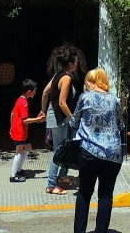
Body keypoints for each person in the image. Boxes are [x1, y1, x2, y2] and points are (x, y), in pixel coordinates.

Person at [72, 67, 123, 233]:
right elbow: (120, 124)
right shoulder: (115, 99)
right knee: (106, 196)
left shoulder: (85, 97)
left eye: (88, 81)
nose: (86, 84)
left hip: (90, 152)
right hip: (113, 155)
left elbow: (74, 121)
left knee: (85, 193)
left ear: (93, 81)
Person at [42, 48, 80, 194]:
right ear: (70, 64)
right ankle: (51, 184)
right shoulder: (66, 78)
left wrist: (44, 110)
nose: (77, 63)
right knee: (58, 150)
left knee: (63, 147)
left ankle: (62, 176)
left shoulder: (58, 75)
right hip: (60, 118)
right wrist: (72, 117)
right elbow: (62, 103)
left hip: (54, 115)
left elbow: (45, 92)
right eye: (76, 61)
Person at [10, 79, 46, 182]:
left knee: (28, 148)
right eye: (34, 90)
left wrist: (11, 127)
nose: (35, 92)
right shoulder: (24, 103)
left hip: (21, 130)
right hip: (20, 130)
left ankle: (19, 169)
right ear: (29, 91)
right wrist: (38, 119)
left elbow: (12, 114)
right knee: (19, 152)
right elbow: (25, 120)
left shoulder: (20, 100)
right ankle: (13, 175)